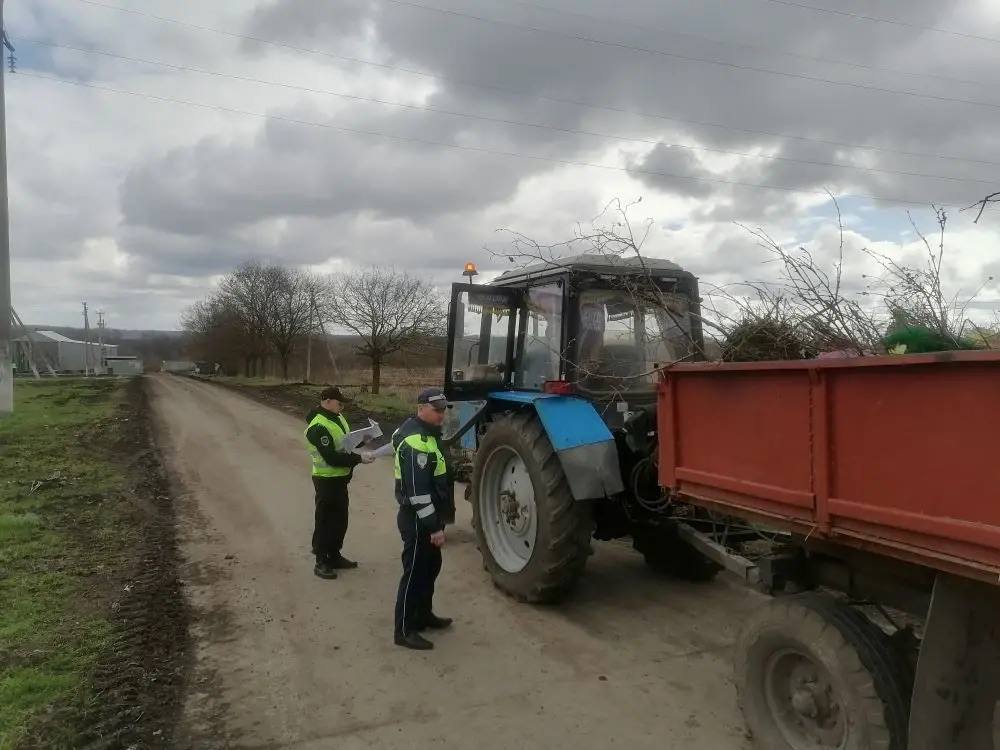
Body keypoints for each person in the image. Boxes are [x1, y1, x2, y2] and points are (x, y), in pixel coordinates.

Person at [392, 387, 455, 650]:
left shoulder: (428, 436)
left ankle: (423, 615)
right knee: (415, 573)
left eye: (443, 410)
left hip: (430, 518)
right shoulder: (416, 442)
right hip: (419, 520)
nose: (441, 415)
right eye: (436, 410)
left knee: (430, 569)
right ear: (420, 409)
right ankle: (404, 630)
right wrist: (434, 528)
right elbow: (418, 494)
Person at [305, 386, 374, 580]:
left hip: (341, 479)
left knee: (340, 521)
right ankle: (321, 561)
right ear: (326, 401)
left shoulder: (338, 418)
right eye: (338, 402)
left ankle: (334, 555)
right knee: (325, 521)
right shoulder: (318, 427)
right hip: (326, 481)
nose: (341, 406)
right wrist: (359, 459)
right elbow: (332, 458)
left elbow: (345, 443)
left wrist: (363, 439)